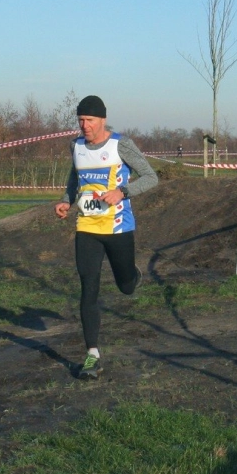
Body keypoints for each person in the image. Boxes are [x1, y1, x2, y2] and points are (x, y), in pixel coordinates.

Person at [53, 95, 159, 379]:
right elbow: (75, 178)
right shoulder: (76, 146)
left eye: (89, 120)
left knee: (126, 287)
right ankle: (92, 355)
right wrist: (66, 200)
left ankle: (132, 276)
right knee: (89, 287)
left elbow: (151, 177)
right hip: (87, 227)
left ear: (102, 119)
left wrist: (122, 192)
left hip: (118, 228)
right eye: (80, 121)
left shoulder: (120, 144)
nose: (84, 126)